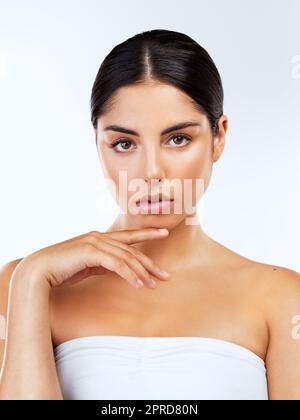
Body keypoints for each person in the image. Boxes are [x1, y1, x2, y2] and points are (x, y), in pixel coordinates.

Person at [0, 29, 300, 400]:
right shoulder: (25, 284)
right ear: (97, 143)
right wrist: (31, 278)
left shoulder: (280, 297)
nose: (151, 171)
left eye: (178, 139)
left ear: (219, 137)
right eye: (124, 143)